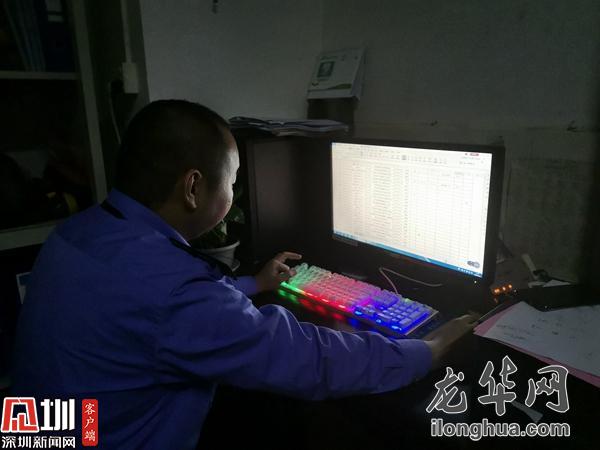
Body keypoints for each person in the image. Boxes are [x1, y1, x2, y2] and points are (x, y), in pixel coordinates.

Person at [12, 100, 477, 449]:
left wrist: (253, 284)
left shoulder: (77, 234)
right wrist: (427, 350)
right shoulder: (175, 292)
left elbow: (151, 304)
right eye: (233, 181)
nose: (234, 193)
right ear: (193, 187)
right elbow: (307, 358)